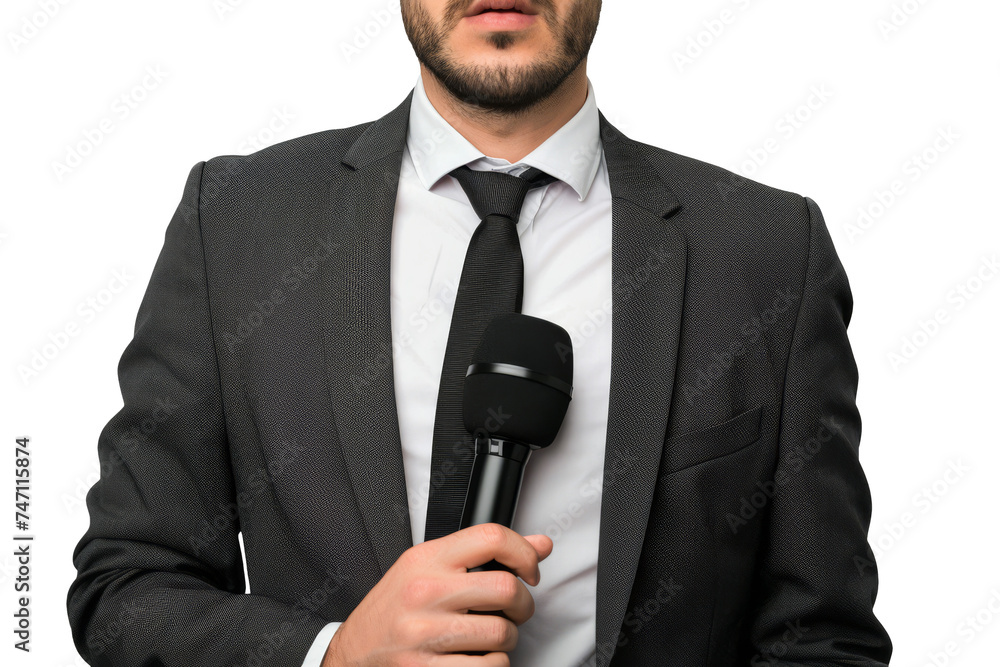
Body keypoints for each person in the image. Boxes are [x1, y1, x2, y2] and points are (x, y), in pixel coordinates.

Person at [66, 1, 893, 665]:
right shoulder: (238, 224)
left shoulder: (768, 252)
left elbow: (823, 638)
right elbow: (125, 591)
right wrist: (334, 655)